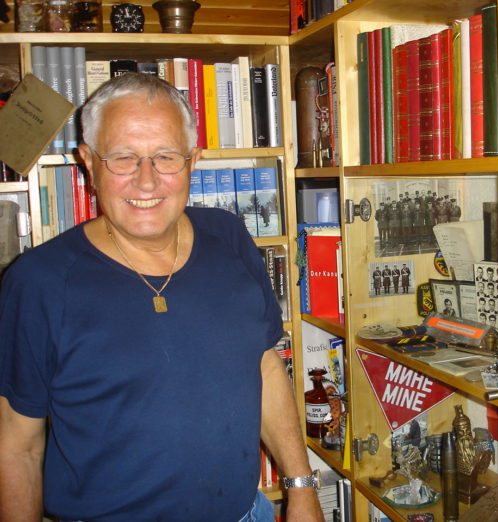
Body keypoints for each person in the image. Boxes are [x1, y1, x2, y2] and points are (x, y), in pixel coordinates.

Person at [0, 73, 322, 522]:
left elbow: (265, 364)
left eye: (166, 157)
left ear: (193, 161)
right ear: (89, 163)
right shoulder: (39, 282)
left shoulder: (229, 236)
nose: (147, 181)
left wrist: (301, 487)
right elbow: (18, 446)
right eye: (123, 158)